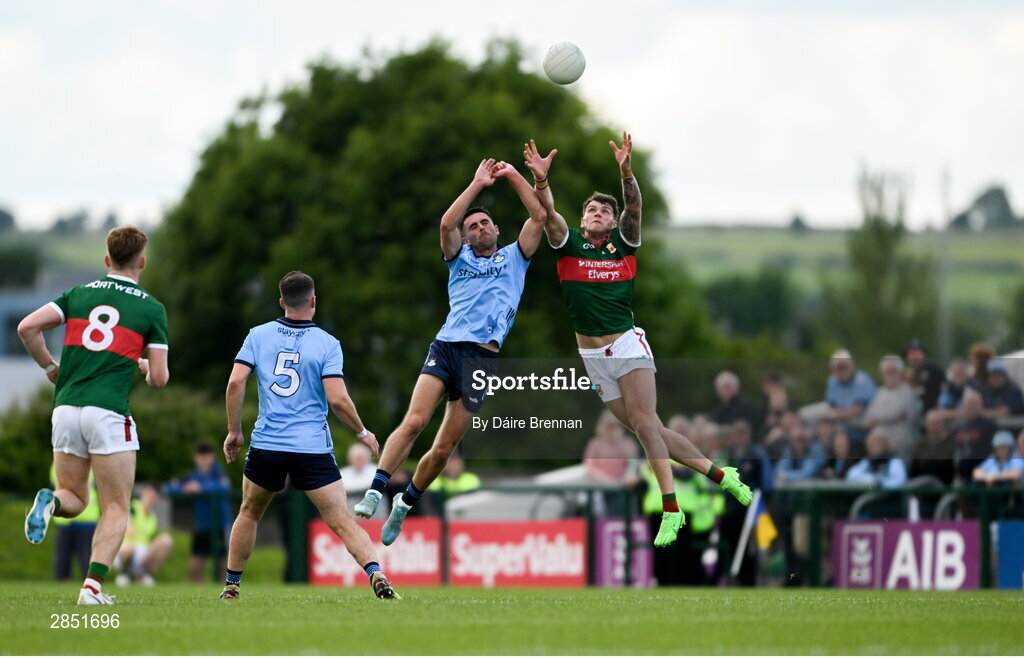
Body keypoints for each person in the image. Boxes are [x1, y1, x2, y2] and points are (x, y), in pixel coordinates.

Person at [523, 135, 752, 549]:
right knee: (653, 432)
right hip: (592, 357)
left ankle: (671, 508)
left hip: (627, 346)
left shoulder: (622, 243)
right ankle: (721, 474)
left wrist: (626, 172)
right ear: (583, 217)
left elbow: (634, 207)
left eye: (604, 210)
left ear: (611, 222)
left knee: (646, 424)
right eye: (591, 208)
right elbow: (547, 212)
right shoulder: (567, 242)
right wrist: (540, 181)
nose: (597, 213)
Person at [353, 158, 547, 546]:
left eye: (484, 223)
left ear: (496, 229)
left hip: (483, 359)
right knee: (414, 421)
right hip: (446, 346)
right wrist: (476, 184)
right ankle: (376, 489)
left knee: (443, 448)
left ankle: (405, 506)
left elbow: (540, 215)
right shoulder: (459, 258)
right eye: (472, 226)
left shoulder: (515, 258)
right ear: (467, 236)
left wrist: (512, 177)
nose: (478, 229)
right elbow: (445, 224)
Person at [221, 271, 398, 599]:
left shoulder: (257, 335)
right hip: (311, 448)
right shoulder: (327, 344)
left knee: (249, 512)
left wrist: (234, 431)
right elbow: (338, 399)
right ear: (313, 301)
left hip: (268, 444)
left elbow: (234, 382)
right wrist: (361, 431)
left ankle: (232, 586)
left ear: (281, 302)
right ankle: (376, 573)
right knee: (341, 519)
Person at [19, 226, 169, 604]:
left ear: (106, 260)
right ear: (142, 261)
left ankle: (49, 502)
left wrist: (50, 367)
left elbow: (27, 327)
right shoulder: (151, 308)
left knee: (72, 495)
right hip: (108, 412)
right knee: (117, 506)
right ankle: (91, 589)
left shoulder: (78, 294)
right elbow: (160, 379)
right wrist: (147, 368)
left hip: (66, 407)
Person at [166, 442, 233, 583]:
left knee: (223, 562)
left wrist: (200, 488)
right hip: (202, 526)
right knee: (195, 564)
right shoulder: (192, 475)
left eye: (206, 456)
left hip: (220, 525)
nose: (203, 459)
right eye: (200, 456)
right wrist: (186, 488)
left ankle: (225, 588)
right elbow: (171, 487)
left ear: (212, 457)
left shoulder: (219, 473)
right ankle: (200, 591)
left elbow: (224, 487)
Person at [582, 410, 641, 516]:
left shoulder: (627, 443)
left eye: (616, 425)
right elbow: (589, 466)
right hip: (599, 488)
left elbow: (632, 464)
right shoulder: (595, 444)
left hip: (621, 488)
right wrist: (607, 480)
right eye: (610, 425)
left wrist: (619, 442)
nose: (613, 429)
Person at [49, 462, 100, 582]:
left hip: (66, 519)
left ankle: (51, 502)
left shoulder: (57, 462)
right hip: (86, 517)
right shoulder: (92, 464)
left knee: (63, 562)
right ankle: (90, 586)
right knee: (86, 562)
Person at [114, 483, 173, 585]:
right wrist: (128, 524)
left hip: (142, 552)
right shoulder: (133, 507)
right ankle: (124, 574)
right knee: (129, 550)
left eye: (154, 497)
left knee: (166, 540)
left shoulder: (153, 518)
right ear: (144, 494)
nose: (151, 498)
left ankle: (144, 574)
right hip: (125, 549)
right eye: (150, 495)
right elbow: (124, 520)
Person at [863, 355, 918, 460]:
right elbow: (868, 416)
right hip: (878, 448)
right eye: (887, 372)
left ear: (900, 373)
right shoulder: (880, 392)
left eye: (893, 371)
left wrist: (876, 419)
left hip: (899, 448)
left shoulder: (906, 391)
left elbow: (894, 412)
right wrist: (881, 417)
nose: (890, 375)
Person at [824, 349, 876, 454]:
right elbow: (831, 406)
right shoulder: (832, 381)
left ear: (851, 365)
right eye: (839, 367)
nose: (842, 369)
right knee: (824, 427)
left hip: (863, 422)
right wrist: (837, 414)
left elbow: (858, 410)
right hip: (843, 422)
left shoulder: (863, 379)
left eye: (844, 366)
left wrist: (837, 414)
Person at [950, 388, 997, 483]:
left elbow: (996, 450)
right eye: (969, 405)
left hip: (983, 471)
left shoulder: (990, 425)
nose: (972, 408)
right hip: (961, 471)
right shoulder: (957, 426)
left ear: (981, 406)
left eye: (974, 405)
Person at [709, 371, 762, 438]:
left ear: (736, 388)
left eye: (728, 387)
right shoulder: (718, 408)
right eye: (723, 387)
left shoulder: (745, 405)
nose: (726, 390)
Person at [909, 410, 956, 485]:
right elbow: (914, 468)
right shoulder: (920, 444)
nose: (934, 426)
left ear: (943, 424)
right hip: (923, 486)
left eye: (937, 423)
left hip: (945, 485)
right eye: (932, 423)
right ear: (926, 425)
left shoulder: (952, 443)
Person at [902, 338, 945, 412]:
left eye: (918, 353)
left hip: (932, 413)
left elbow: (945, 389)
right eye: (912, 353)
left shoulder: (935, 370)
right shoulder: (903, 373)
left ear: (924, 355)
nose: (915, 357)